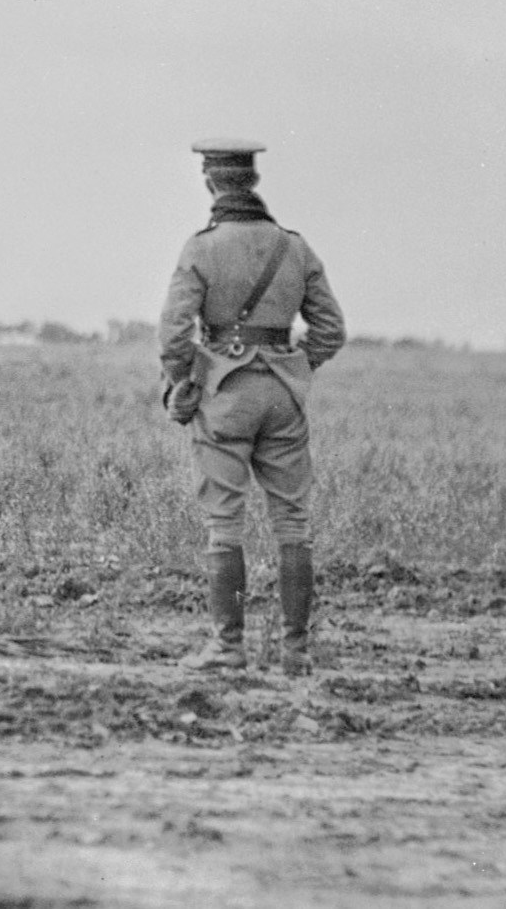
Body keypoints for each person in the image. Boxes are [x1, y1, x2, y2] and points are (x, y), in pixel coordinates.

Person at [158, 138, 347, 674]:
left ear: (211, 182)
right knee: (293, 523)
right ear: (253, 182)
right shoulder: (295, 247)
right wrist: (295, 365)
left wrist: (183, 383)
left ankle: (228, 647)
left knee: (225, 523)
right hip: (284, 395)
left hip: (225, 394)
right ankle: (296, 651)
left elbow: (173, 333)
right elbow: (331, 329)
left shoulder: (201, 248)